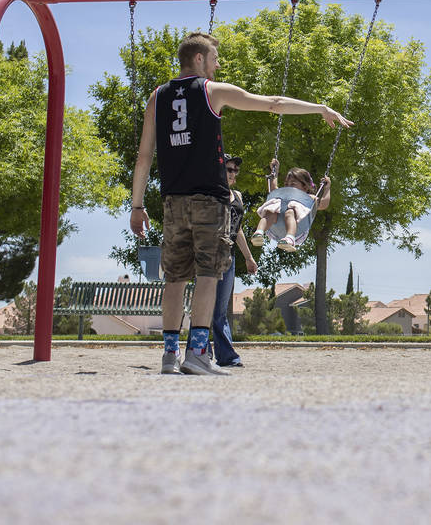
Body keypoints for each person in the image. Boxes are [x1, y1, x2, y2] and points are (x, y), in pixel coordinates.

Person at [130, 32, 352, 376]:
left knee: (174, 279)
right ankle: (198, 354)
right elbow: (273, 102)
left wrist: (137, 205)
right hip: (209, 199)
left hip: (172, 201)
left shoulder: (157, 96)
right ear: (200, 59)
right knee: (207, 275)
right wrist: (319, 108)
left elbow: (144, 156)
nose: (218, 66)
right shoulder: (212, 91)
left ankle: (169, 357)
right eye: (215, 58)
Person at [210, 154, 258, 368]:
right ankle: (199, 351)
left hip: (228, 254)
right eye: (229, 169)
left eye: (235, 170)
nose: (233, 173)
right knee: (204, 306)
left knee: (220, 309)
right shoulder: (210, 193)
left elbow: (237, 230)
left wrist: (248, 257)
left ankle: (225, 357)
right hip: (209, 252)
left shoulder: (237, 195)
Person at [251, 157, 331, 251]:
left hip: (298, 231)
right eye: (286, 184)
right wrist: (275, 172)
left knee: (290, 212)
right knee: (271, 212)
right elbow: (273, 189)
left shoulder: (309, 198)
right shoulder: (283, 195)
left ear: (305, 187)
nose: (288, 187)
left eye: (293, 184)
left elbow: (323, 204)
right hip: (275, 227)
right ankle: (258, 233)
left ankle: (289, 238)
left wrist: (327, 188)